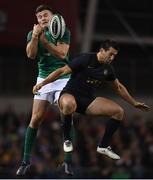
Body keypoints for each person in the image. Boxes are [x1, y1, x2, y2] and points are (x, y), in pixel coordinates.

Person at [33, 39, 150, 160]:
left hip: (87, 101)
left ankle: (103, 146)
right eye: (110, 54)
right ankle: (67, 139)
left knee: (119, 112)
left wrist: (134, 103)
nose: (112, 58)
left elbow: (118, 87)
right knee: (69, 104)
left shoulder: (107, 69)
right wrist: (43, 84)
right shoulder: (85, 59)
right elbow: (61, 71)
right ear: (101, 50)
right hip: (69, 95)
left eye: (114, 55)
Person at [16, 4, 74, 176]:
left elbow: (62, 55)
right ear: (37, 20)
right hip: (43, 79)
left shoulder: (63, 30)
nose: (42, 18)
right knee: (35, 118)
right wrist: (34, 37)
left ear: (53, 16)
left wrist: (45, 42)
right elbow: (31, 55)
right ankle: (25, 161)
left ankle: (68, 162)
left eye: (45, 15)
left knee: (67, 111)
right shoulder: (32, 33)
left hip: (62, 77)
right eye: (39, 16)